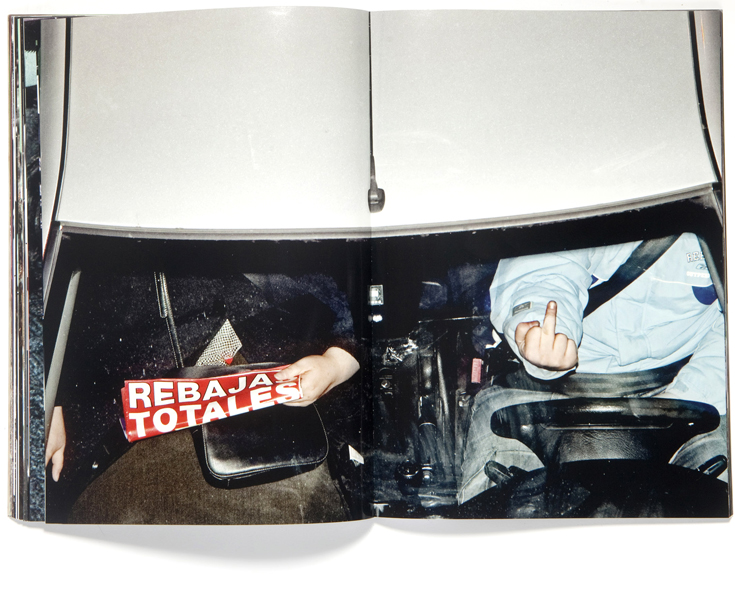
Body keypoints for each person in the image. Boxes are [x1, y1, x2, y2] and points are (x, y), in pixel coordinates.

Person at [45, 270, 361, 523]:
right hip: (111, 416)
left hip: (246, 372)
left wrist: (337, 362)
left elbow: (364, 295)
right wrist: (49, 400)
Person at [459, 233, 727, 504]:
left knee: (720, 497)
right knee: (501, 506)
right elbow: (546, 267)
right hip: (540, 391)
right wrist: (544, 334)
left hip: (684, 389)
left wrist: (684, 397)